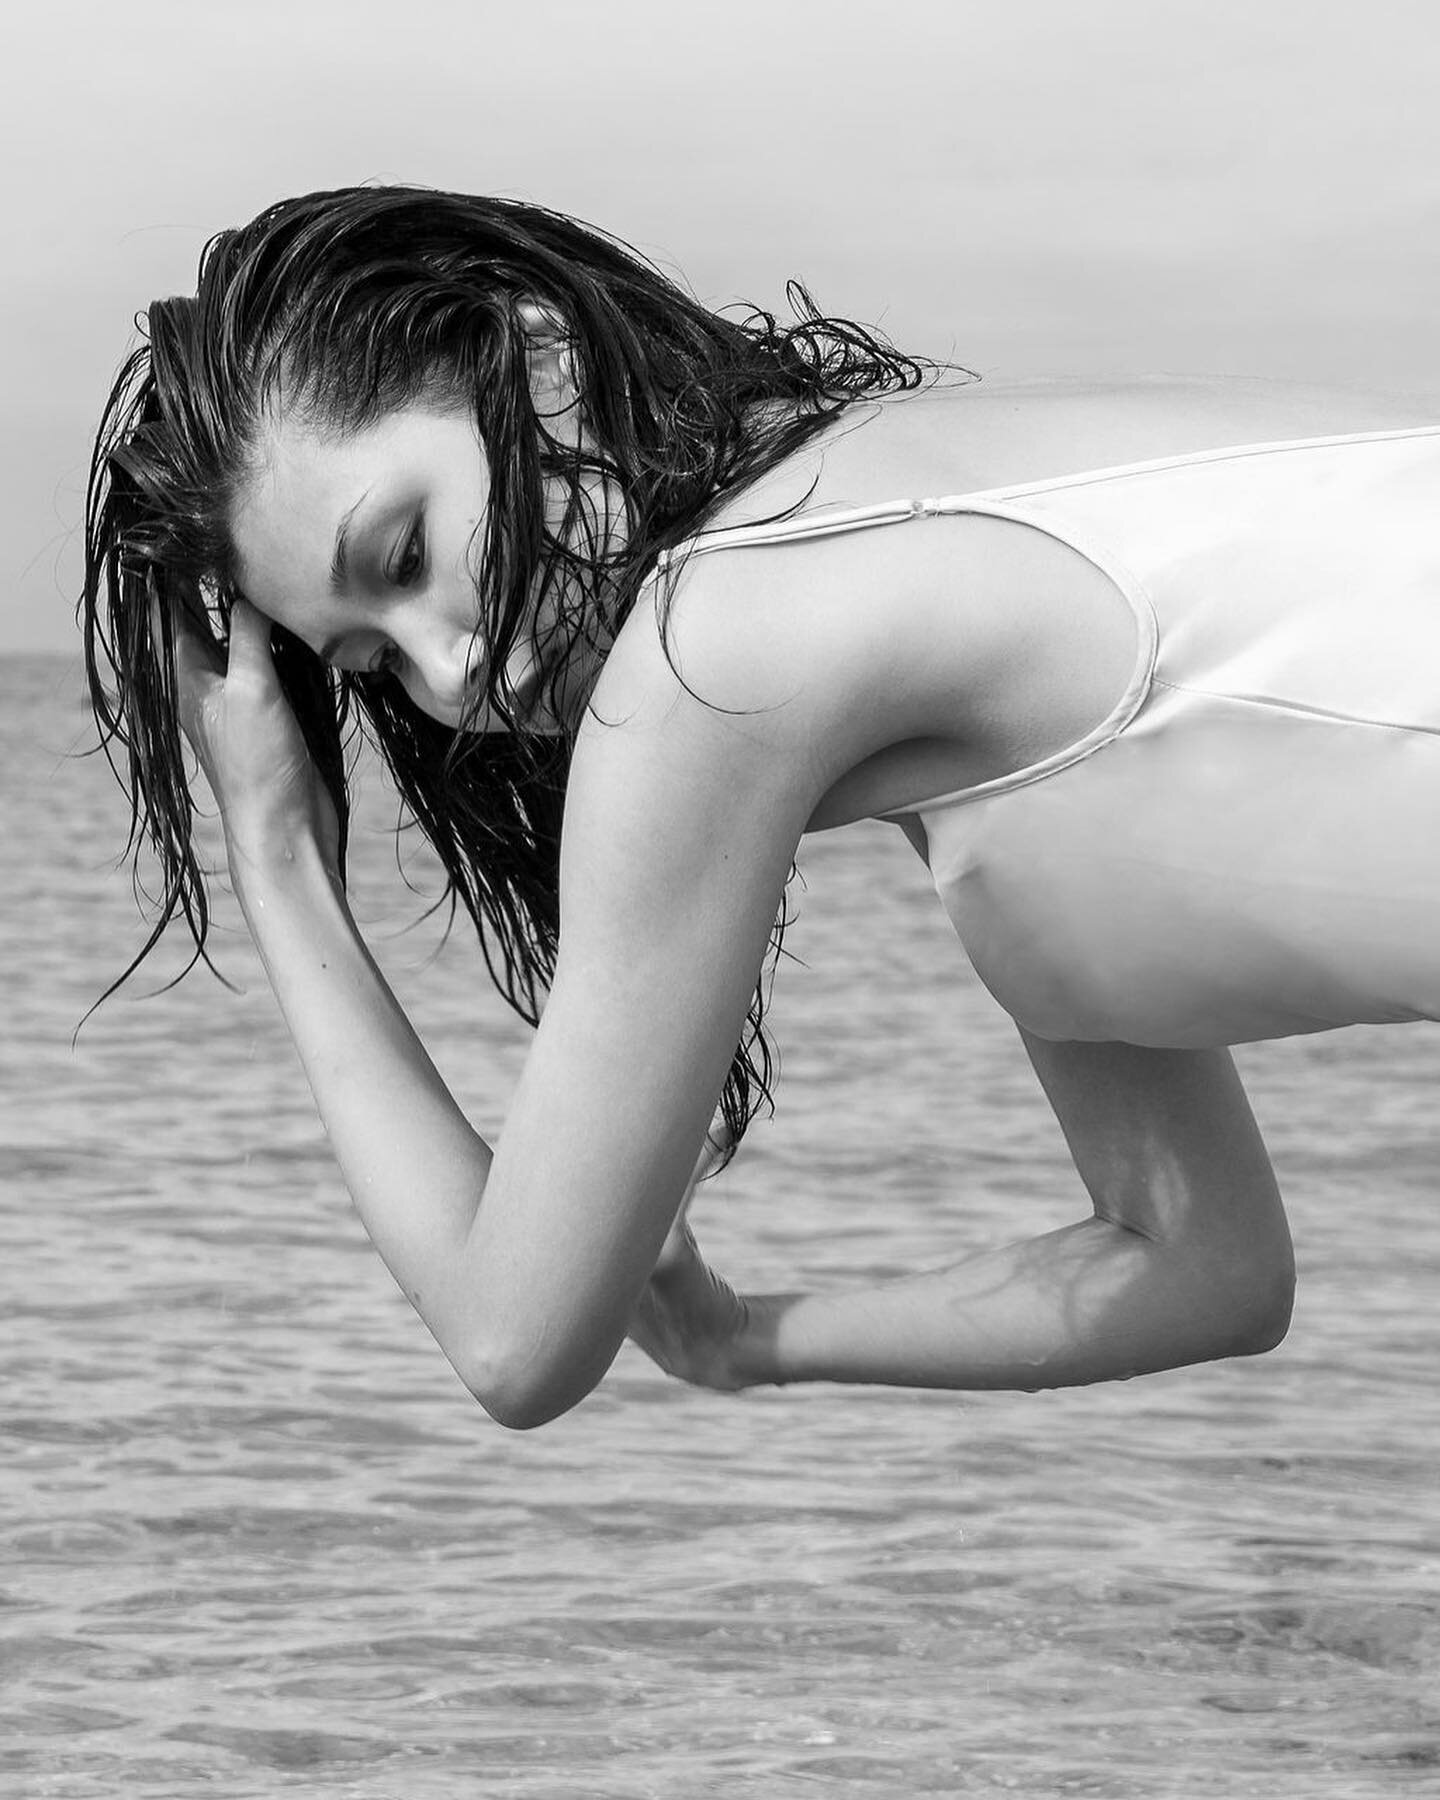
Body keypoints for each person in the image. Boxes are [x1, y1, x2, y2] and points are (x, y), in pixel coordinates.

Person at [82, 184, 1440, 1430]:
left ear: (539, 356)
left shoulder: (720, 642)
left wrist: (278, 852)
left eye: (408, 553)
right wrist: (741, 1341)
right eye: (376, 662)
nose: (451, 669)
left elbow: (512, 1343)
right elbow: (1203, 1265)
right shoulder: (888, 542)